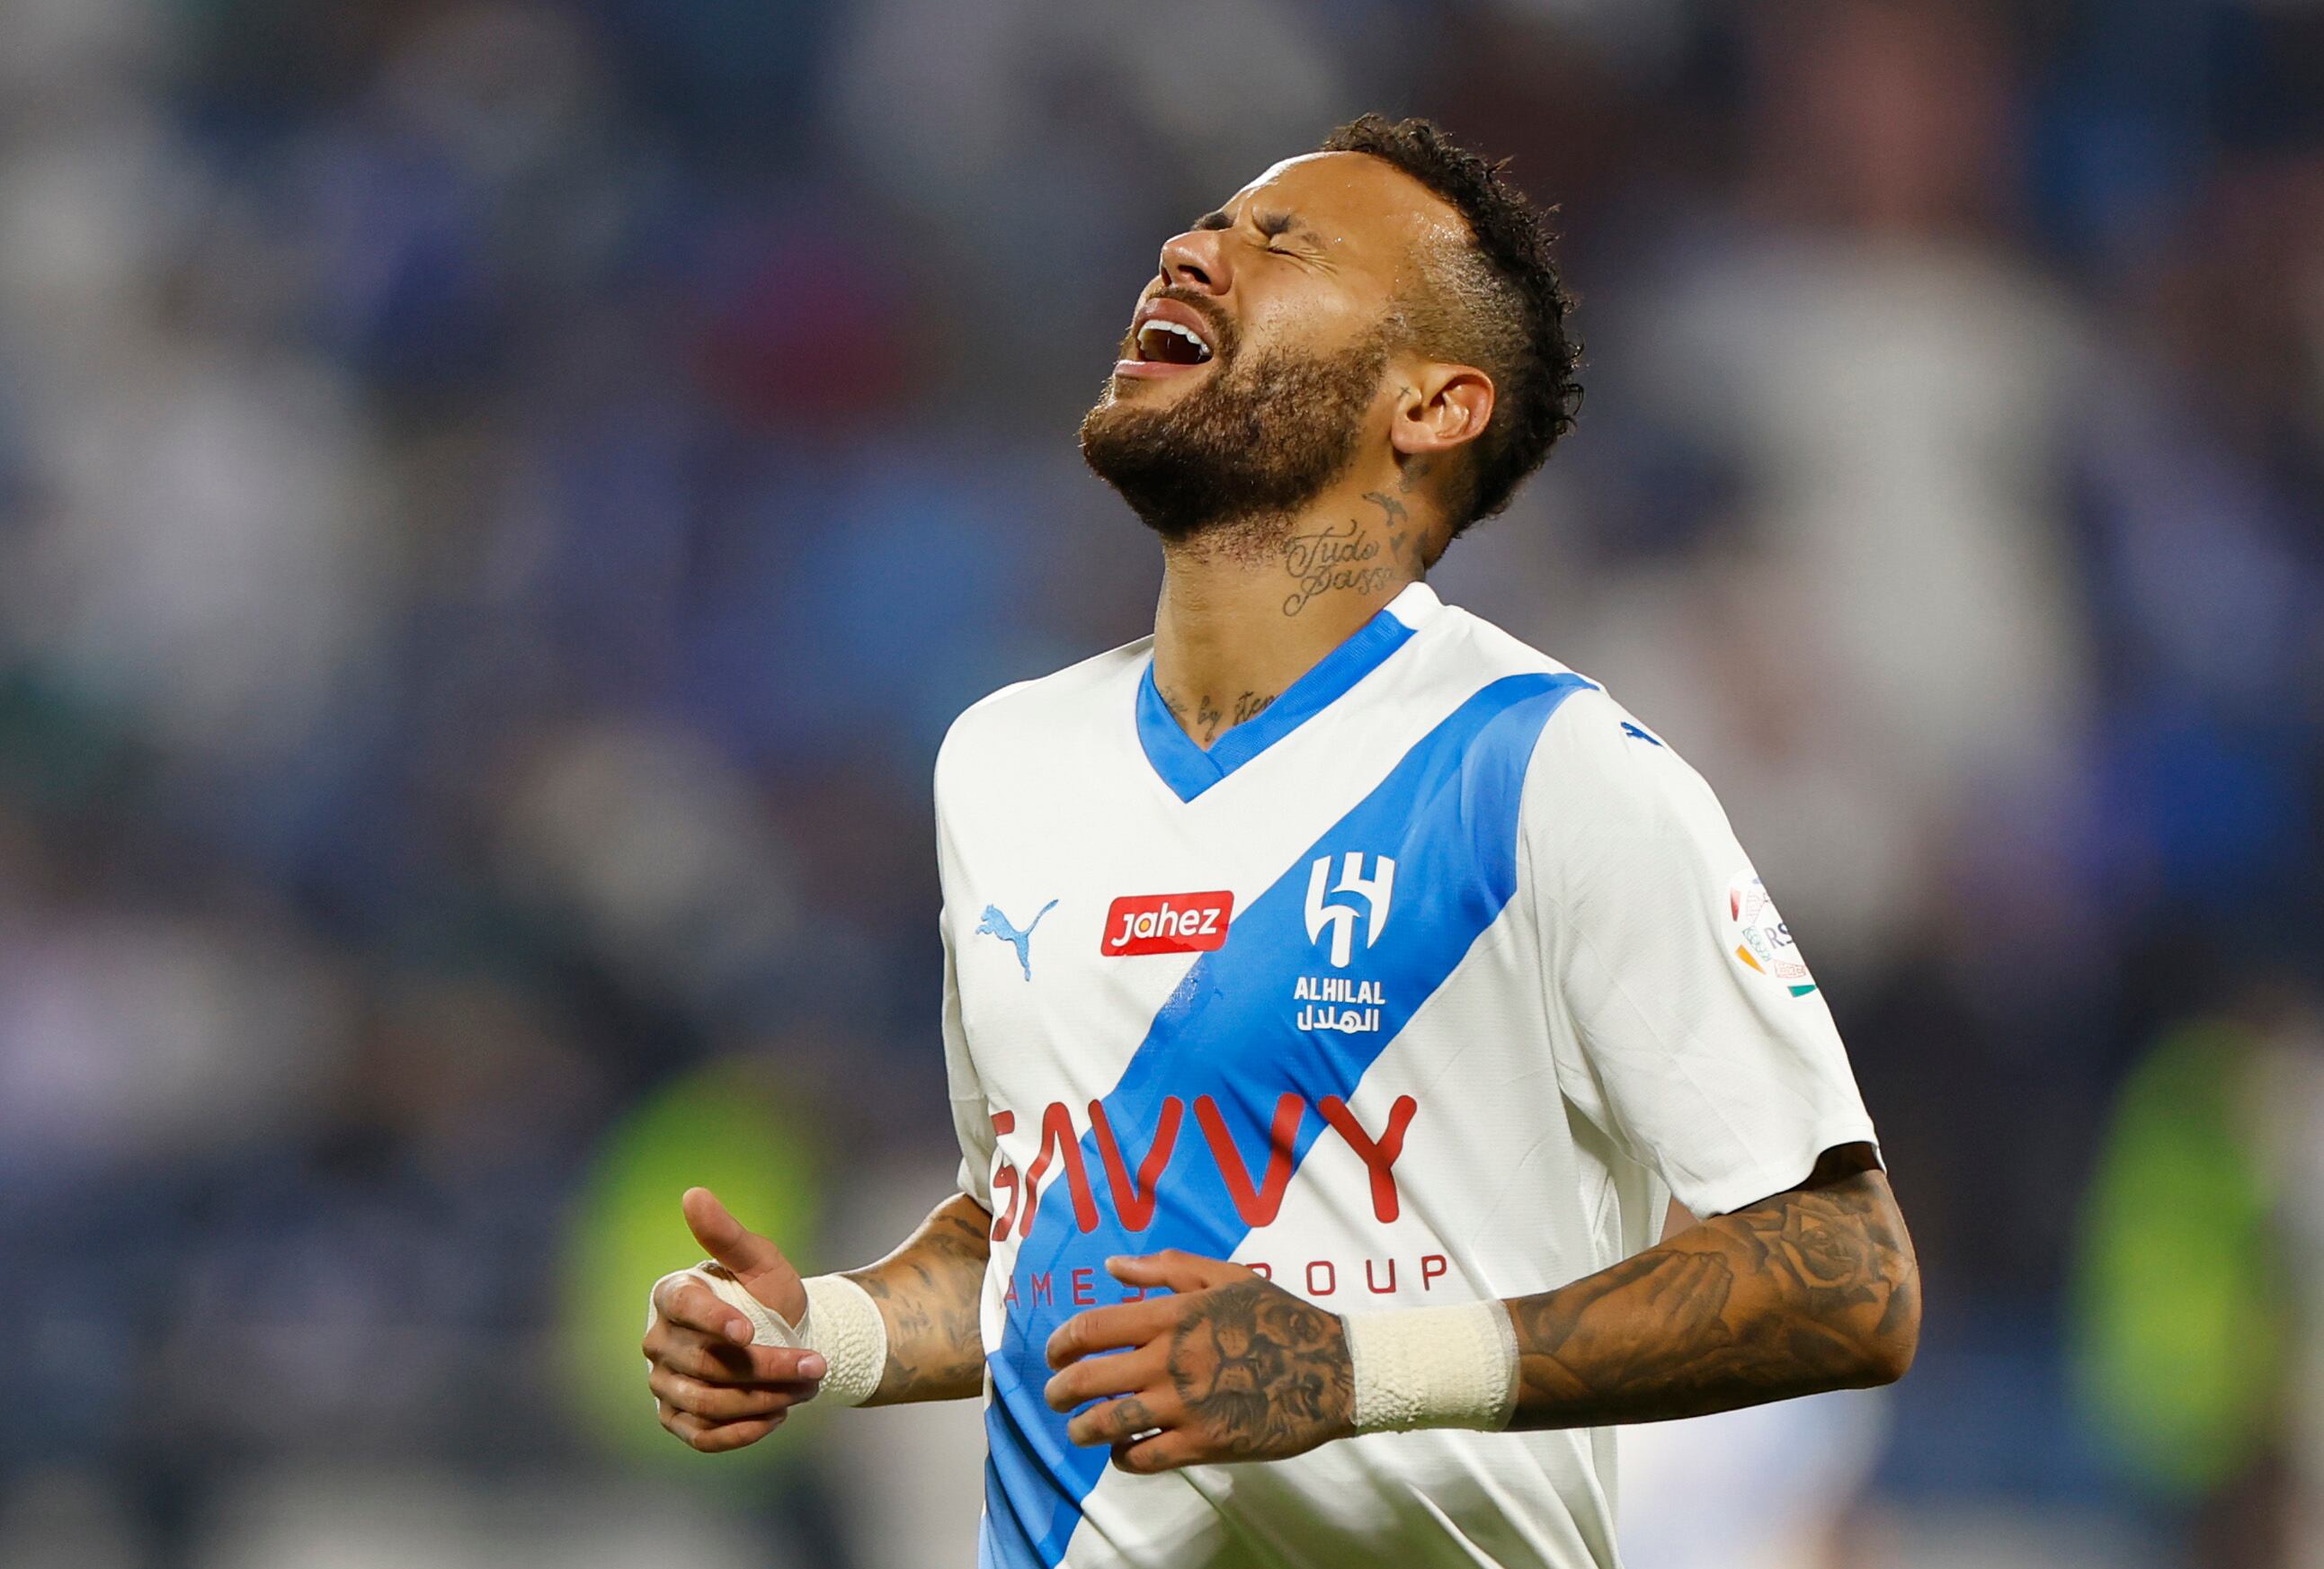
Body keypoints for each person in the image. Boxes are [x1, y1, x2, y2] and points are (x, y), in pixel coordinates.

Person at [640, 114, 1919, 1569]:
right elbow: (1038, 1237)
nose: (1191, 250)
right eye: (1205, 227)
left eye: (1283, 243)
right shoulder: (1000, 762)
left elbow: (1846, 1276)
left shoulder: (1543, 771)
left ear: (1433, 404)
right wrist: (835, 1331)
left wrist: (1352, 1367)